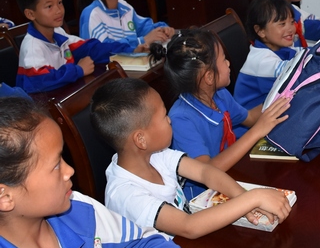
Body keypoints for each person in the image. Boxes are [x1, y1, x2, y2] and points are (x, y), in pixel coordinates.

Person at [90, 78, 291, 239]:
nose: (170, 120)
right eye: (164, 116)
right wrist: (253, 197)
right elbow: (189, 227)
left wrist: (242, 198)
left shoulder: (155, 155)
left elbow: (205, 172)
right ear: (141, 139)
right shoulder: (126, 195)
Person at [0, 97, 181, 248]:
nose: (69, 171)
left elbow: (144, 242)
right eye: (55, 166)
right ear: (5, 197)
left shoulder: (78, 208)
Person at [148, 28, 290, 199]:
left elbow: (251, 117)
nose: (229, 63)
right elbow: (208, 170)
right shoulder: (181, 119)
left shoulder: (219, 95)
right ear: (209, 77)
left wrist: (283, 93)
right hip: (202, 198)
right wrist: (257, 131)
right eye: (223, 59)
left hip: (230, 177)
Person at [15, 0, 144, 93]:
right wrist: (79, 70)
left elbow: (92, 48)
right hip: (41, 106)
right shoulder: (32, 47)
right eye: (49, 6)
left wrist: (130, 49)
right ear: (30, 14)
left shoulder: (58, 32)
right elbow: (40, 81)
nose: (58, 10)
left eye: (59, 2)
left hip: (63, 96)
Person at [233, 0, 300, 112]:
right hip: (253, 121)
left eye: (292, 22)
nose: (291, 29)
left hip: (270, 113)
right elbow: (296, 75)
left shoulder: (279, 46)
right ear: (260, 31)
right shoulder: (261, 61)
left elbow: (304, 54)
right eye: (282, 24)